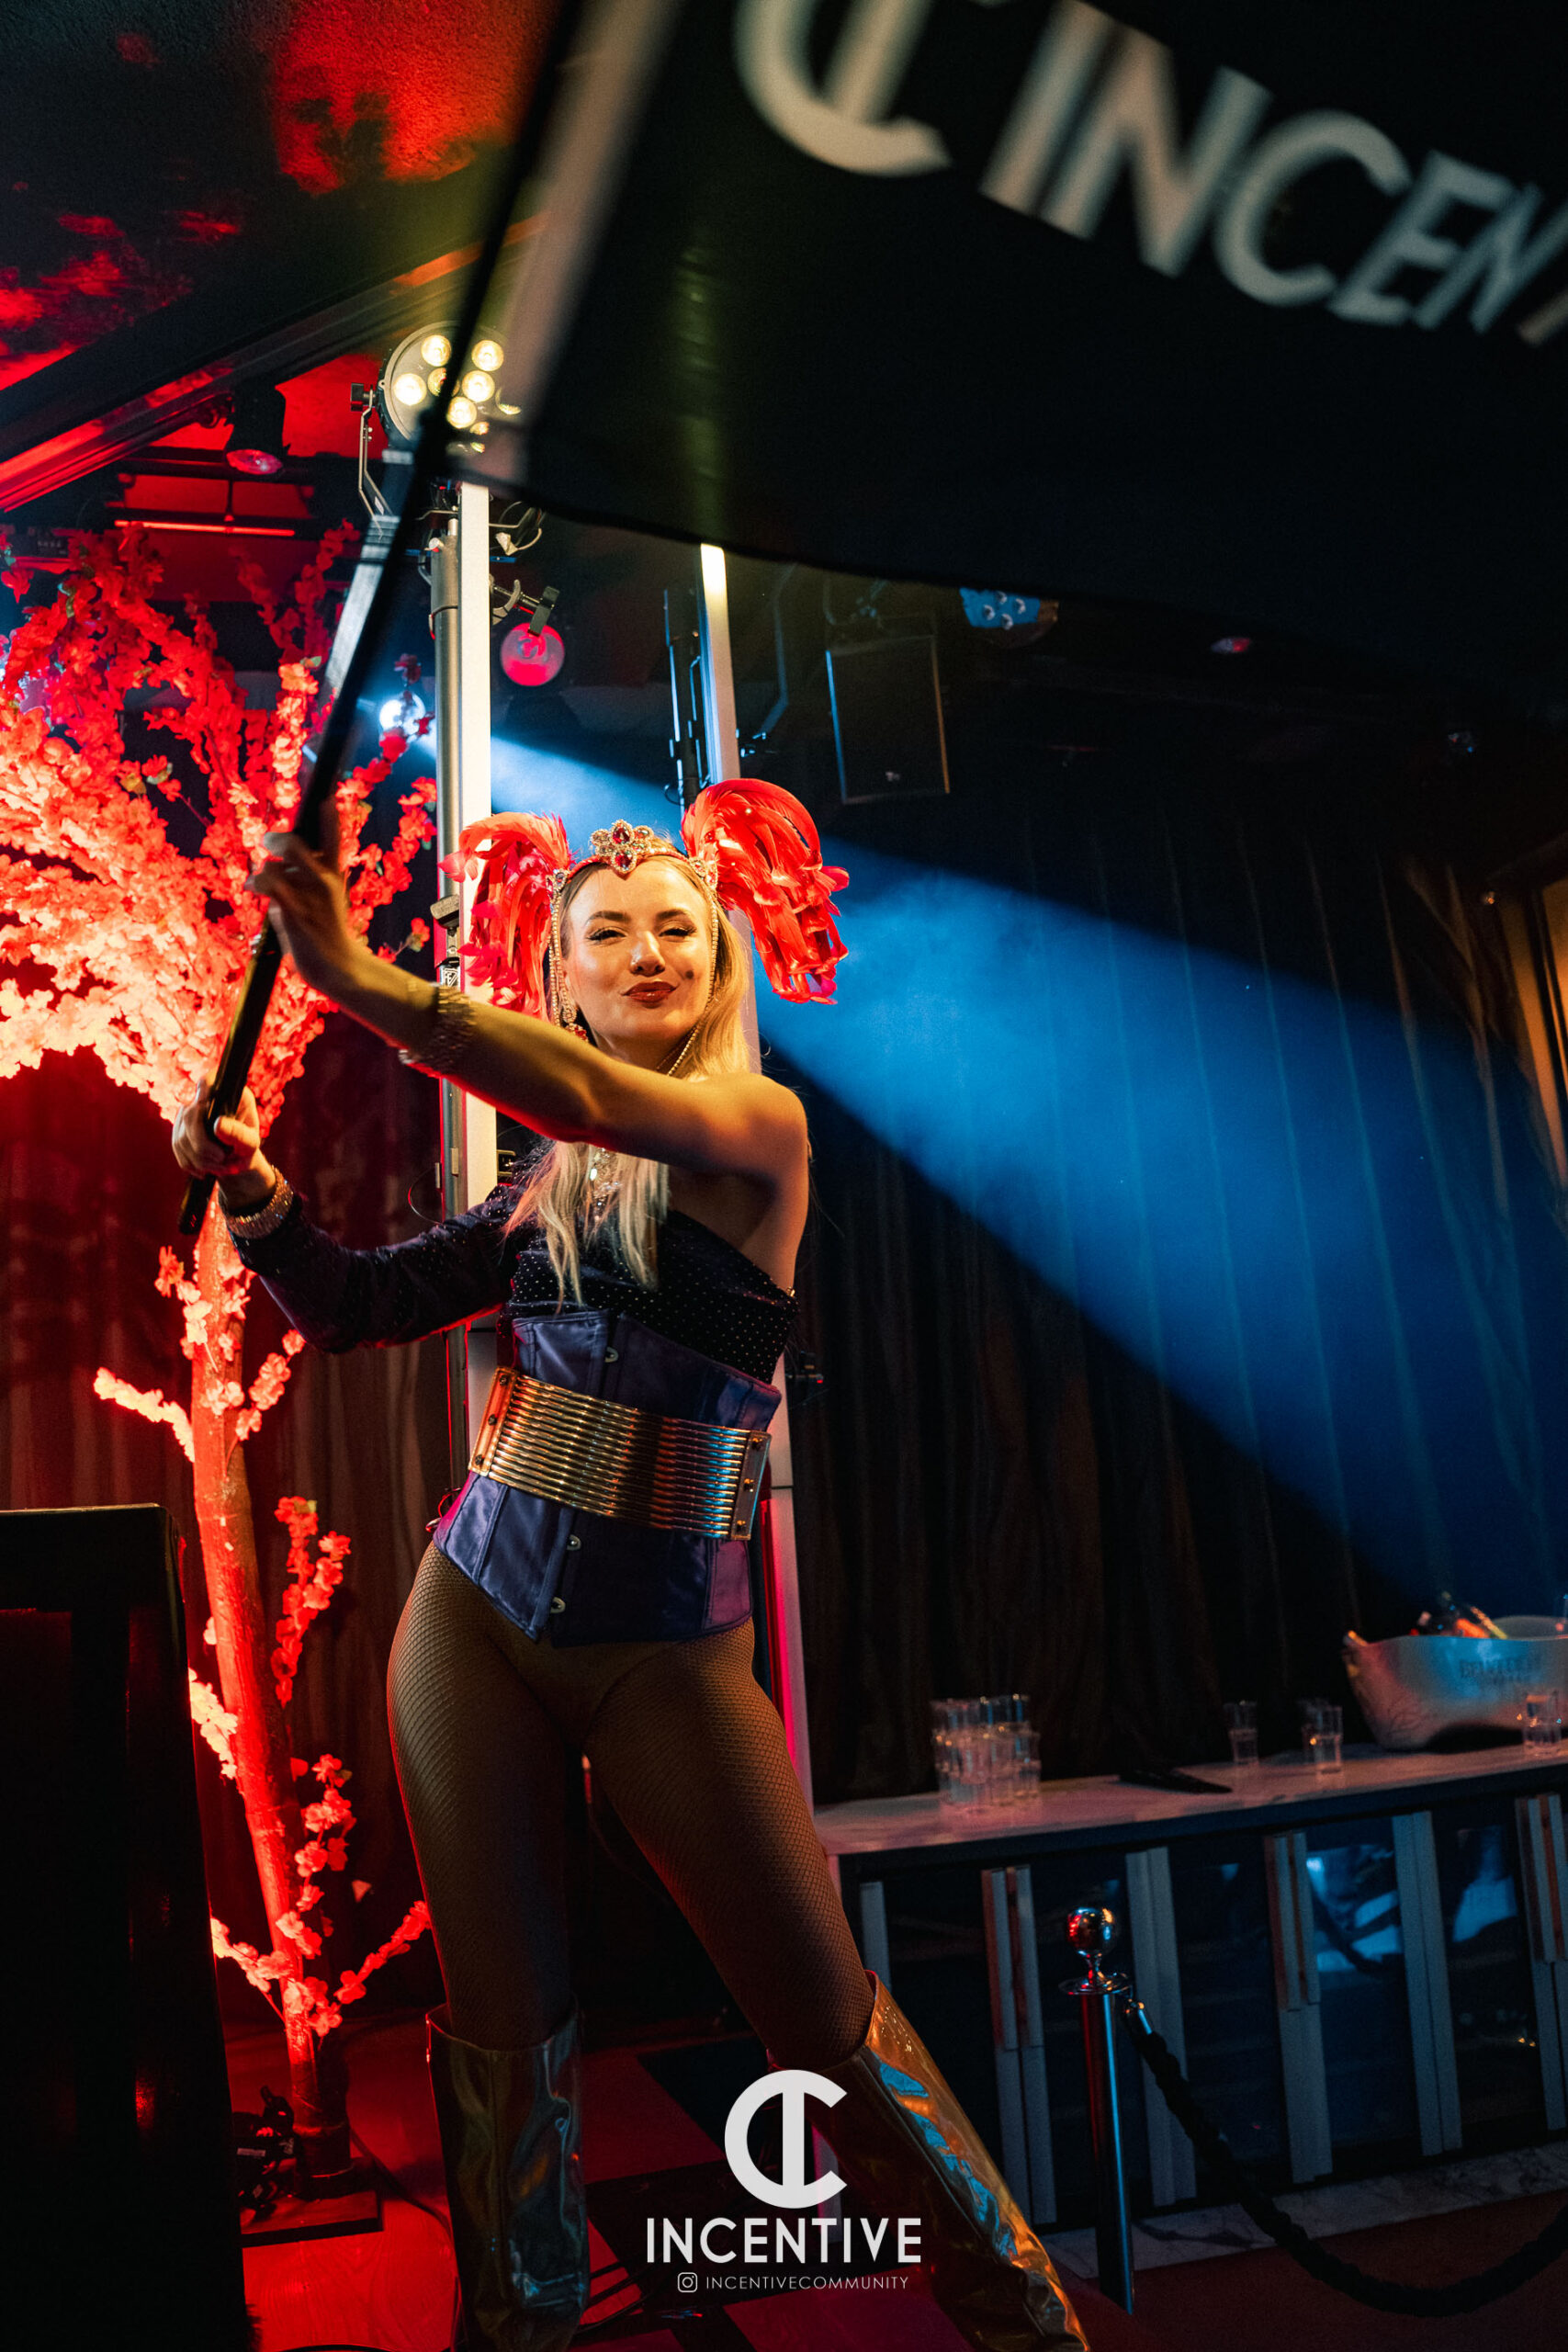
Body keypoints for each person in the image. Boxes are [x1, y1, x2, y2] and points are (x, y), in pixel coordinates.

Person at [172, 780, 1087, 2352]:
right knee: (501, 2031)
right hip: (473, 1615)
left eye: (679, 928)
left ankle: (1029, 2331)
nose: (651, 951)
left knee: (824, 2022)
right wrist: (254, 1193)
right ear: (563, 973)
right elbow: (360, 1305)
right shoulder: (548, 1177)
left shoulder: (759, 1129)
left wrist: (362, 981)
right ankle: (512, 2329)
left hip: (667, 1646)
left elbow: (599, 1101)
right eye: (610, 934)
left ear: (723, 960)